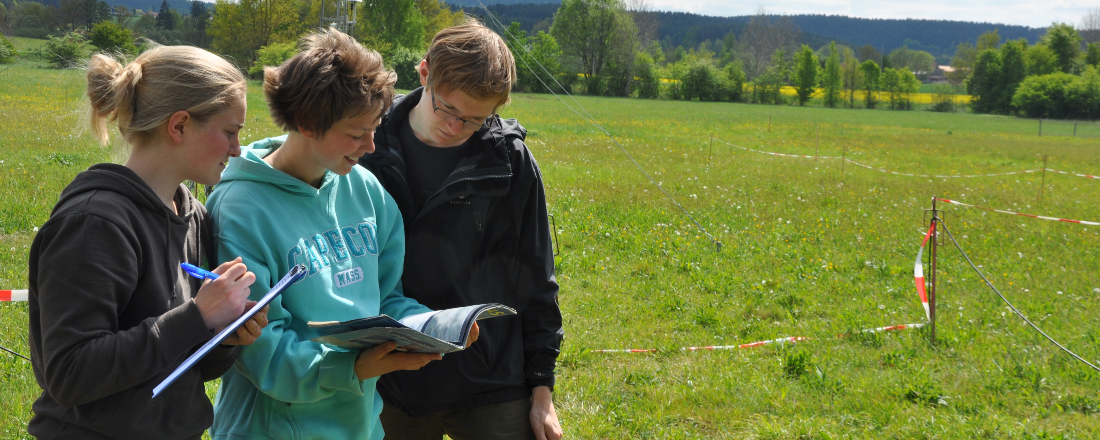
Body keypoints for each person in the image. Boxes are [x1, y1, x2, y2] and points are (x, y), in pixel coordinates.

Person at [207, 29, 466, 440]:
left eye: (375, 128)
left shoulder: (364, 189)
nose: (370, 145)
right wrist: (353, 367)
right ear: (308, 123)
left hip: (359, 426)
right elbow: (260, 351)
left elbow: (385, 298)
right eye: (355, 132)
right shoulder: (240, 209)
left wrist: (430, 326)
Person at [27, 46, 264, 440]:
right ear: (180, 126)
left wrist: (224, 333)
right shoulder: (94, 223)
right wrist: (197, 317)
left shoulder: (193, 216)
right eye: (230, 132)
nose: (238, 149)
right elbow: (69, 373)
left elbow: (192, 368)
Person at [359, 22, 564, 440]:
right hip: (388, 375)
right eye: (447, 109)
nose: (455, 127)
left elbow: (537, 280)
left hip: (490, 378)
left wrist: (542, 390)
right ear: (423, 73)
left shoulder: (510, 161)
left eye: (474, 119)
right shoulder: (367, 144)